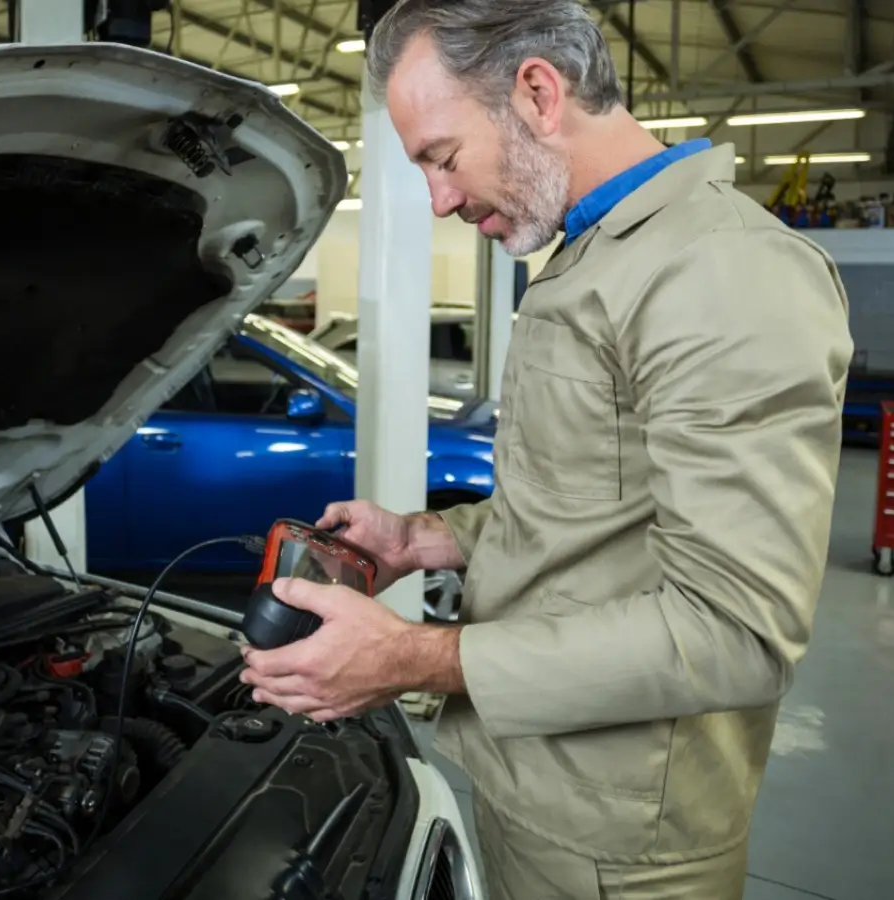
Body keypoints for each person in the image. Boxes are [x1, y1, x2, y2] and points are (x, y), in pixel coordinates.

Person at [238, 0, 854, 896]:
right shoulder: (589, 258)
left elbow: (737, 631)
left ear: (536, 92)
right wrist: (429, 540)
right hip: (528, 772)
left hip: (622, 839)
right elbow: (586, 507)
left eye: (441, 159)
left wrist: (417, 657)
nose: (440, 200)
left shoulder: (722, 273)